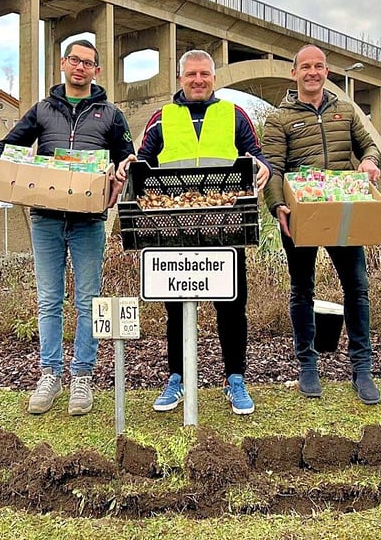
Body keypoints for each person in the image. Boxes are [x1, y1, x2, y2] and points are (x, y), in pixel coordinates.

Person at [116, 49, 270, 415]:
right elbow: (144, 160)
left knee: (232, 306)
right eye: (191, 75)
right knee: (176, 307)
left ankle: (235, 378)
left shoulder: (233, 115)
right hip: (175, 228)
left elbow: (256, 153)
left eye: (204, 74)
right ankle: (177, 379)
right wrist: (130, 164)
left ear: (213, 78)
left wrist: (261, 167)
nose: (198, 80)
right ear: (181, 79)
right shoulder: (161, 118)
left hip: (226, 227)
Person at [0, 39, 135, 416]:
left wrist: (122, 172)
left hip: (89, 221)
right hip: (46, 217)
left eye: (88, 63)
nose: (80, 68)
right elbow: (8, 147)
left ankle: (82, 377)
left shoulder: (111, 115)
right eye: (75, 60)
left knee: (87, 300)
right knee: (49, 300)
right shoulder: (40, 111)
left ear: (97, 72)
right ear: (63, 64)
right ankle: (49, 374)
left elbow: (128, 158)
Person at [260, 44, 381, 405]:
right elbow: (273, 167)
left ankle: (362, 368)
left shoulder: (345, 111)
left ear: (326, 71)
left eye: (319, 66)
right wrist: (278, 204)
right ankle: (308, 365)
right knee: (302, 290)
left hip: (343, 211)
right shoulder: (280, 118)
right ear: (294, 73)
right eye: (305, 67)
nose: (312, 72)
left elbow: (369, 147)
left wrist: (371, 162)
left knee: (356, 289)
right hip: (302, 214)